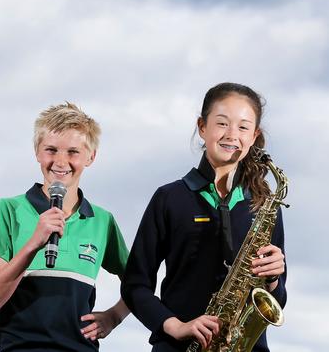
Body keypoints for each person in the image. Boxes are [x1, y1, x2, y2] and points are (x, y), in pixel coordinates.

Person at [121, 82, 287, 352]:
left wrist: (274, 278)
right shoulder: (169, 198)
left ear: (254, 136)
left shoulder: (264, 206)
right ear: (202, 127)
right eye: (222, 123)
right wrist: (174, 325)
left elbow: (277, 300)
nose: (232, 134)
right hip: (178, 346)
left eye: (243, 127)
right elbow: (135, 286)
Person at [0, 102, 130, 351]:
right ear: (37, 151)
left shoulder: (102, 220)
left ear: (91, 156)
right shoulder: (8, 211)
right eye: (51, 150)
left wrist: (114, 316)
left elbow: (138, 280)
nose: (60, 161)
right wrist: (34, 243)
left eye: (73, 152)